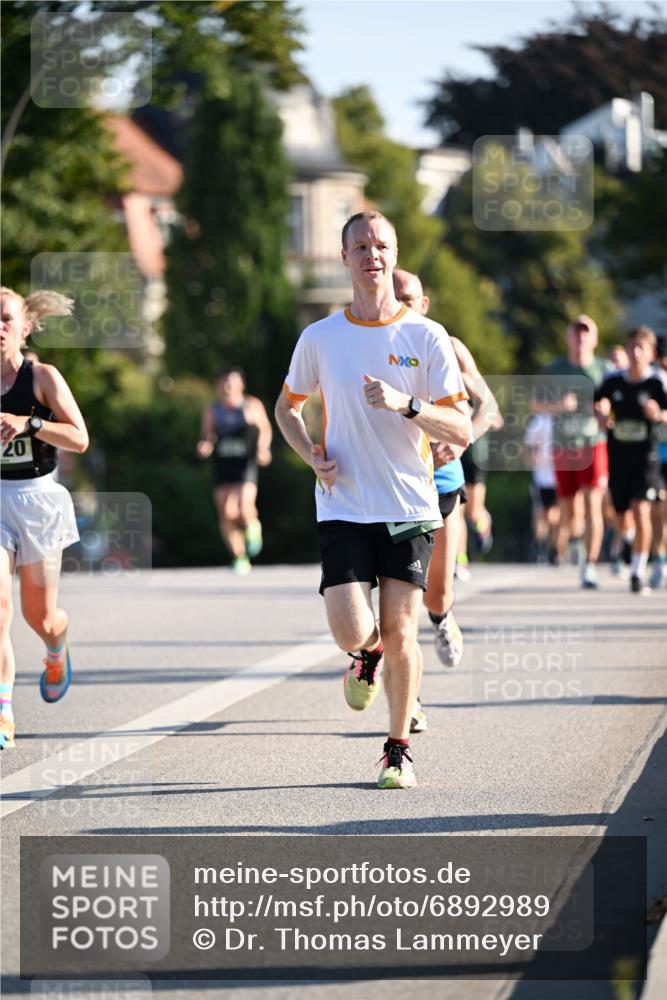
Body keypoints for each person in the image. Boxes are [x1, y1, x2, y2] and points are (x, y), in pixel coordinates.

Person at [275, 212, 470, 788]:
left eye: (381, 245)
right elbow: (287, 408)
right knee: (349, 629)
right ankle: (366, 654)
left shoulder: (426, 336)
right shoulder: (320, 337)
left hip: (409, 505)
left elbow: (460, 427)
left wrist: (407, 404)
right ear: (345, 257)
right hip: (343, 502)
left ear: (395, 253)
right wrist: (310, 454)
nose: (371, 255)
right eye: (360, 246)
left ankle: (397, 749)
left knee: (403, 628)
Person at [392, 269, 502, 706]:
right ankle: (409, 701)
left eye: (408, 298)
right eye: (393, 296)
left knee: (436, 593)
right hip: (394, 485)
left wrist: (460, 441)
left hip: (442, 481)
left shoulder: (449, 347)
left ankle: (442, 617)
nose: (400, 303)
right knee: (400, 601)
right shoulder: (368, 345)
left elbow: (488, 406)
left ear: (423, 304)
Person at [1, 286, 88, 750]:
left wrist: (30, 424)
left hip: (37, 501)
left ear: (25, 327)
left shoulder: (41, 377)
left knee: (41, 616)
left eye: (5, 319)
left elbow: (79, 438)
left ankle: (57, 647)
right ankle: (4, 712)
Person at [537, 315, 613, 589]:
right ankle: (577, 539)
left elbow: (618, 404)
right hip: (563, 446)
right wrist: (559, 406)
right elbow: (535, 404)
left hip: (593, 443)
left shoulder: (605, 369)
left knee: (593, 504)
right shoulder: (554, 369)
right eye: (576, 333)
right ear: (568, 338)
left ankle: (590, 564)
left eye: (586, 333)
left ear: (594, 339)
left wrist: (606, 411)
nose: (581, 338)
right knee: (569, 511)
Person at [594, 326, 667, 593]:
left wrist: (658, 415)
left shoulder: (658, 382)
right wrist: (601, 414)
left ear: (651, 353)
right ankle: (628, 538)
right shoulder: (613, 380)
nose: (635, 353)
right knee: (622, 517)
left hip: (647, 458)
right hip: (618, 457)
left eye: (641, 348)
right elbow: (597, 406)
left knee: (642, 510)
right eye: (631, 347)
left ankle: (637, 572)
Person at [196, 367, 272, 575]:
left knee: (244, 507)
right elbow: (207, 435)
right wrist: (205, 446)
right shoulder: (213, 410)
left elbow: (265, 429)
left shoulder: (251, 405)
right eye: (224, 382)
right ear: (218, 385)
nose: (228, 386)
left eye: (232, 381)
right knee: (226, 512)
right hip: (222, 464)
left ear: (241, 384)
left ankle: (253, 527)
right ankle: (239, 556)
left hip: (244, 463)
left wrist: (263, 448)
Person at [524, 413, 560, 565]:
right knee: (541, 514)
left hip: (561, 476)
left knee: (556, 515)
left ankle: (554, 549)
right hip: (542, 476)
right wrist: (531, 458)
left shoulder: (566, 421)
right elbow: (528, 444)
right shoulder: (539, 421)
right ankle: (539, 547)